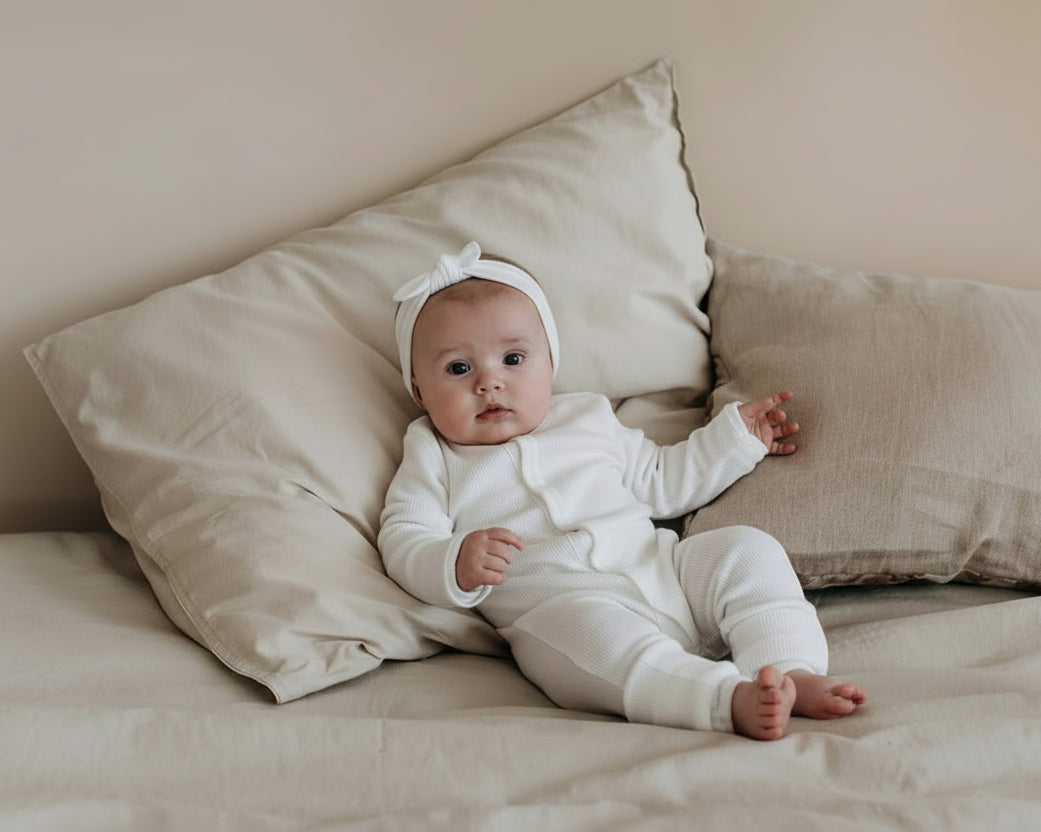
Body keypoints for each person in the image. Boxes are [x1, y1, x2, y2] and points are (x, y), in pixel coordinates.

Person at [379, 241, 866, 740]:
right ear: (419, 390)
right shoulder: (433, 453)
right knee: (594, 642)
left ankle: (788, 668)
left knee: (745, 548)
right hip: (561, 609)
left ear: (550, 363)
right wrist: (453, 562)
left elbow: (661, 479)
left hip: (664, 573)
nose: (489, 383)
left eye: (513, 358)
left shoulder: (588, 417)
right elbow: (404, 537)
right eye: (459, 369)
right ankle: (725, 699)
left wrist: (733, 441)